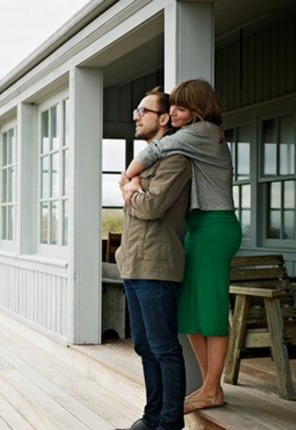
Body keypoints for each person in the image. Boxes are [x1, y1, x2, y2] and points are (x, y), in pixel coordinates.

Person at [121, 79, 242, 415]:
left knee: (213, 310)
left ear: (198, 111)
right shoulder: (188, 139)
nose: (173, 112)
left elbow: (156, 151)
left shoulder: (205, 130)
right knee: (190, 313)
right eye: (171, 106)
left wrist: (128, 177)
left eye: (181, 107)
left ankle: (213, 389)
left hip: (215, 227)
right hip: (196, 227)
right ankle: (208, 386)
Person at [115, 87, 191, 430]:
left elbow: (152, 207)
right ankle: (152, 417)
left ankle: (170, 424)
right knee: (144, 347)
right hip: (133, 265)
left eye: (142, 111)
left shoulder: (175, 159)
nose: (135, 116)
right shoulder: (144, 161)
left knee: (164, 348)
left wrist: (131, 189)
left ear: (163, 119)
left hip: (158, 266)